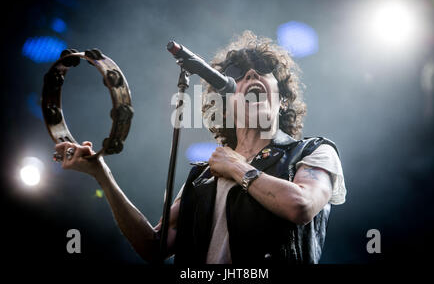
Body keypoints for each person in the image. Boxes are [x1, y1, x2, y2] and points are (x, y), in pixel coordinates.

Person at [54, 31, 346, 264]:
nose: (251, 75)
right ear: (227, 105)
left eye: (263, 70)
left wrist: (235, 166)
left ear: (282, 99)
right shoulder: (201, 178)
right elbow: (153, 247)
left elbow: (301, 205)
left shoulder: (313, 152)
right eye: (239, 72)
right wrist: (101, 174)